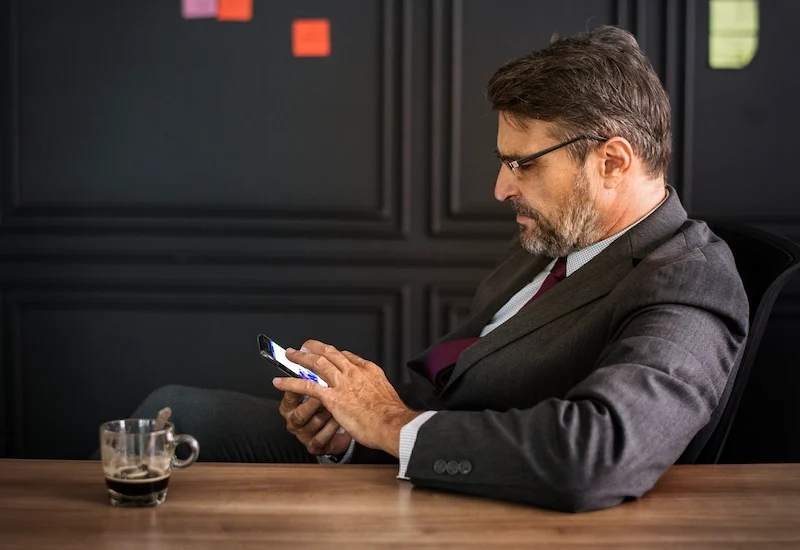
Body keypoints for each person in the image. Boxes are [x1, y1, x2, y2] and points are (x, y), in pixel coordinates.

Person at [130, 25, 748, 512]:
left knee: (172, 420)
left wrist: (390, 424)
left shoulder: (690, 279)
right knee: (172, 409)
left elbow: (595, 454)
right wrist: (349, 429)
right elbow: (453, 381)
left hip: (478, 503)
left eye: (524, 164)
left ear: (612, 161)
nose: (501, 188)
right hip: (418, 459)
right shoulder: (556, 236)